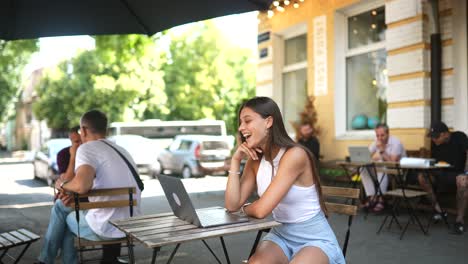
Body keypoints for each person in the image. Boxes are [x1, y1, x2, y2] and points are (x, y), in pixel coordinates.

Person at [225, 97, 344, 264]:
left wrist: (244, 209)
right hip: (281, 235)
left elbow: (261, 211)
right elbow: (231, 205)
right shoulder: (255, 160)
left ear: (268, 122)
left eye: (247, 121)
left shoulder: (294, 155)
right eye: (240, 122)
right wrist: (235, 161)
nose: (241, 127)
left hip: (315, 239)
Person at [35, 110, 142, 264]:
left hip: (107, 228)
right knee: (63, 208)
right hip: (131, 224)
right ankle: (48, 260)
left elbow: (82, 185)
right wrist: (73, 193)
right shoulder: (122, 150)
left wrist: (63, 185)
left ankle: (47, 260)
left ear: (83, 130)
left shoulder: (87, 148)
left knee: (63, 215)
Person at [415, 121, 468, 234]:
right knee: (422, 177)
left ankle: (459, 220)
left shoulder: (459, 136)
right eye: (432, 137)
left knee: (462, 182)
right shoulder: (436, 144)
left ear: (445, 134)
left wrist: (466, 173)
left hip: (458, 174)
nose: (434, 139)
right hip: (441, 173)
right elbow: (436, 162)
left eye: (436, 137)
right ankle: (438, 211)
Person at [360, 123, 407, 212]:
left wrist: (382, 151)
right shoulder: (376, 141)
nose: (380, 138)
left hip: (397, 172)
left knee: (381, 164)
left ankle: (380, 199)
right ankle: (372, 197)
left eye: (382, 135)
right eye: (377, 135)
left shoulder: (396, 142)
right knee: (363, 168)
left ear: (388, 134)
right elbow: (367, 156)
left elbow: (393, 163)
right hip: (383, 171)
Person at [54, 126, 81, 205]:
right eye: (77, 142)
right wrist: (73, 157)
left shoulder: (90, 152)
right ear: (71, 141)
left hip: (85, 197)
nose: (81, 144)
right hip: (69, 195)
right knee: (60, 202)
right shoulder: (63, 154)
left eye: (83, 141)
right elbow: (66, 180)